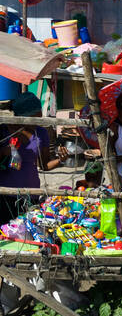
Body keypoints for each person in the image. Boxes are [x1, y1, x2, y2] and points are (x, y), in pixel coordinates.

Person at [0, 92, 67, 222]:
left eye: (39, 116)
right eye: (34, 117)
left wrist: (61, 160)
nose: (38, 120)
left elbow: (44, 165)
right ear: (22, 116)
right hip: (6, 195)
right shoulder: (4, 131)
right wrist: (3, 152)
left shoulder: (41, 133)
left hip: (31, 195)